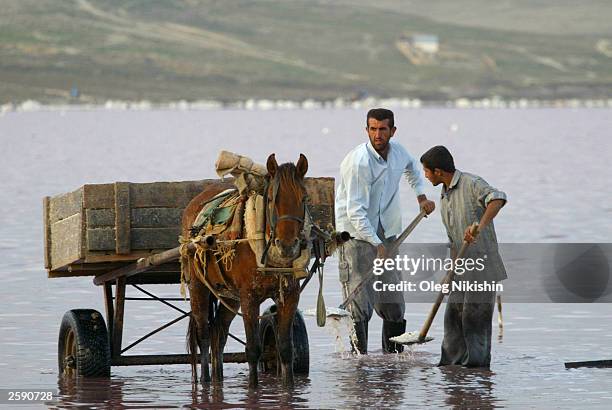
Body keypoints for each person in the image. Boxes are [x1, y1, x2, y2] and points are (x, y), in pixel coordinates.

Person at [335, 108, 435, 354]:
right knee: (360, 306)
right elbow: (355, 212)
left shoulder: (399, 152)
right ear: (366, 130)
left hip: (388, 234)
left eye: (382, 129)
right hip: (357, 238)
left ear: (392, 131)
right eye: (372, 129)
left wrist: (421, 196)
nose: (377, 134)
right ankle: (359, 363)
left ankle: (392, 365)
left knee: (393, 303)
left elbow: (412, 169)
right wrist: (376, 243)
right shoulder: (359, 162)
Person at [420, 145, 507, 367]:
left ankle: (477, 372)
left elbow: (497, 199)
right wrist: (449, 274)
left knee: (474, 321)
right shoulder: (445, 194)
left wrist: (479, 225)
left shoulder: (471, 183)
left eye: (426, 171)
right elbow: (453, 239)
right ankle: (452, 371)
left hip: (482, 268)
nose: (425, 176)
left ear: (438, 172)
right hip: (460, 269)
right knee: (453, 320)